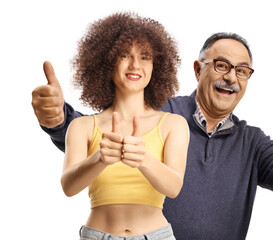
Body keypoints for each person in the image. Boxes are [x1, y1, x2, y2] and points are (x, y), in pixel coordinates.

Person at [32, 32, 273, 239]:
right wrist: (60, 118)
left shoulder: (252, 142)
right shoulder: (160, 111)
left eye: (242, 71)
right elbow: (102, 135)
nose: (232, 78)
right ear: (198, 70)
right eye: (222, 65)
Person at [39, 12, 190, 239]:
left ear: (156, 66)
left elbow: (174, 187)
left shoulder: (173, 124)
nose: (135, 65)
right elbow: (68, 187)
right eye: (125, 55)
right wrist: (99, 158)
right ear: (107, 62)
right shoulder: (82, 126)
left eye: (145, 57)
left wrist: (143, 159)